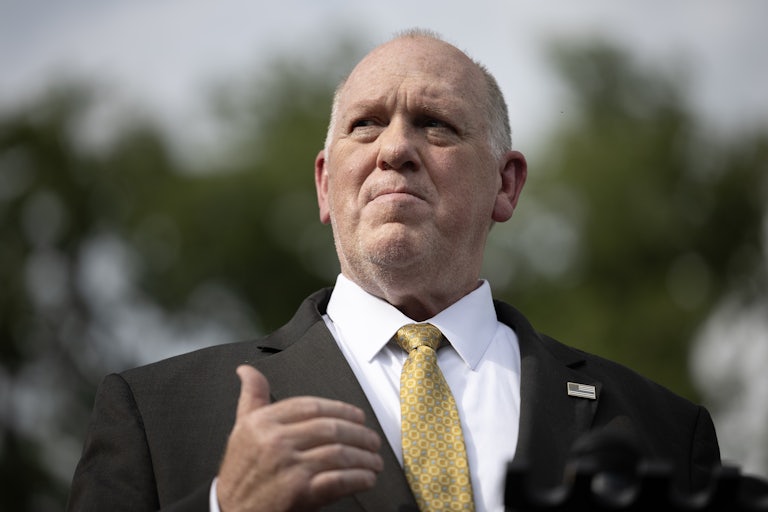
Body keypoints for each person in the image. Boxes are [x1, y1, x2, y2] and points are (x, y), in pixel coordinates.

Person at [67, 29, 720, 512]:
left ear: (506, 184)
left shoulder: (662, 430)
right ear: (326, 185)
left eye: (435, 125)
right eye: (365, 125)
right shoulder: (155, 415)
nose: (396, 148)